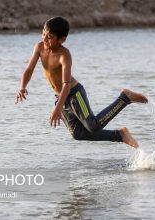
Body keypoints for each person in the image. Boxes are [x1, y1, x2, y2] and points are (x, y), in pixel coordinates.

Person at [15, 17, 147, 148]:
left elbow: (66, 85)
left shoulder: (64, 55)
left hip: (74, 94)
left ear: (62, 39)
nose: (44, 38)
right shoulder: (39, 47)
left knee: (92, 126)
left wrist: (57, 109)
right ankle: (120, 135)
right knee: (78, 134)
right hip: (61, 97)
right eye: (43, 34)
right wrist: (22, 87)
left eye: (49, 37)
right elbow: (29, 69)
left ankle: (124, 98)